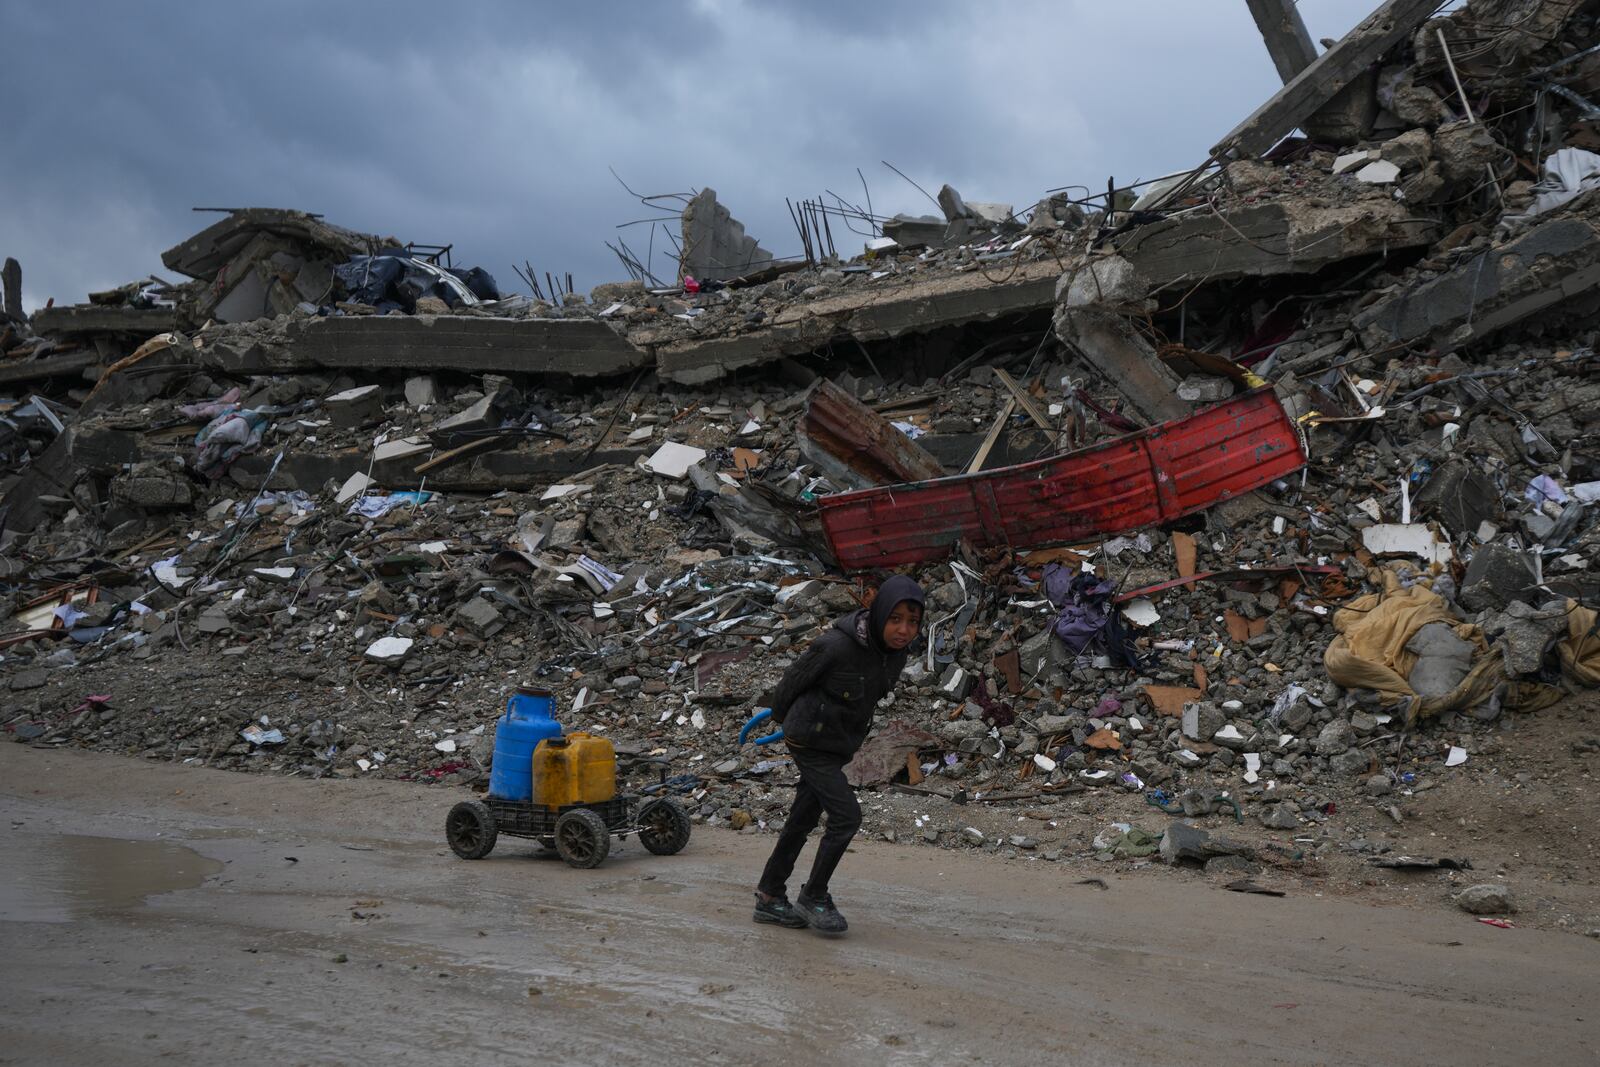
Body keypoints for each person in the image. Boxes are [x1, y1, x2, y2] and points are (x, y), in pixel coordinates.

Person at [753, 574, 924, 934]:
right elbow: (790, 685)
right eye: (895, 619)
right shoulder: (835, 646)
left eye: (912, 622)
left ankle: (769, 896)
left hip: (837, 746)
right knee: (847, 817)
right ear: (877, 615)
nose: (903, 630)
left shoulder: (893, 655)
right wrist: (786, 720)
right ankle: (814, 896)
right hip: (809, 743)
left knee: (802, 819)